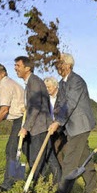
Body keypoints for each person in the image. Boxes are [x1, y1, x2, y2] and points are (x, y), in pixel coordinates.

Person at [48, 53, 97, 193]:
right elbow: (60, 103)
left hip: (80, 125)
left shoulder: (76, 81)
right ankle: (92, 188)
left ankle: (62, 192)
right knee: (83, 158)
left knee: (70, 158)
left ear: (68, 65)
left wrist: (58, 122)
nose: (57, 66)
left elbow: (70, 103)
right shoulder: (63, 82)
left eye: (59, 64)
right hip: (71, 126)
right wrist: (55, 120)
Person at [14, 56, 61, 185]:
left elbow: (36, 107)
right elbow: (34, 105)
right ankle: (59, 185)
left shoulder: (34, 82)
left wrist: (25, 128)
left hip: (39, 126)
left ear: (27, 68)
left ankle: (34, 185)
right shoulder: (31, 82)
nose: (15, 68)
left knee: (36, 158)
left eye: (18, 66)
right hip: (41, 125)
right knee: (49, 156)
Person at [0, 63, 26, 192]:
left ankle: (8, 184)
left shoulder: (4, 86)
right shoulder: (10, 83)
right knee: (26, 150)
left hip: (21, 120)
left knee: (11, 150)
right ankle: (19, 180)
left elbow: (4, 110)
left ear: (3, 73)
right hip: (22, 119)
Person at [44, 76, 66, 166]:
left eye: (48, 87)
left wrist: (58, 122)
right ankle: (61, 170)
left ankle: (71, 170)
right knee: (56, 149)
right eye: (45, 87)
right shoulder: (46, 99)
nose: (47, 89)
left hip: (63, 127)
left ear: (55, 86)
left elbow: (66, 111)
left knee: (67, 149)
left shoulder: (63, 96)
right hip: (52, 128)